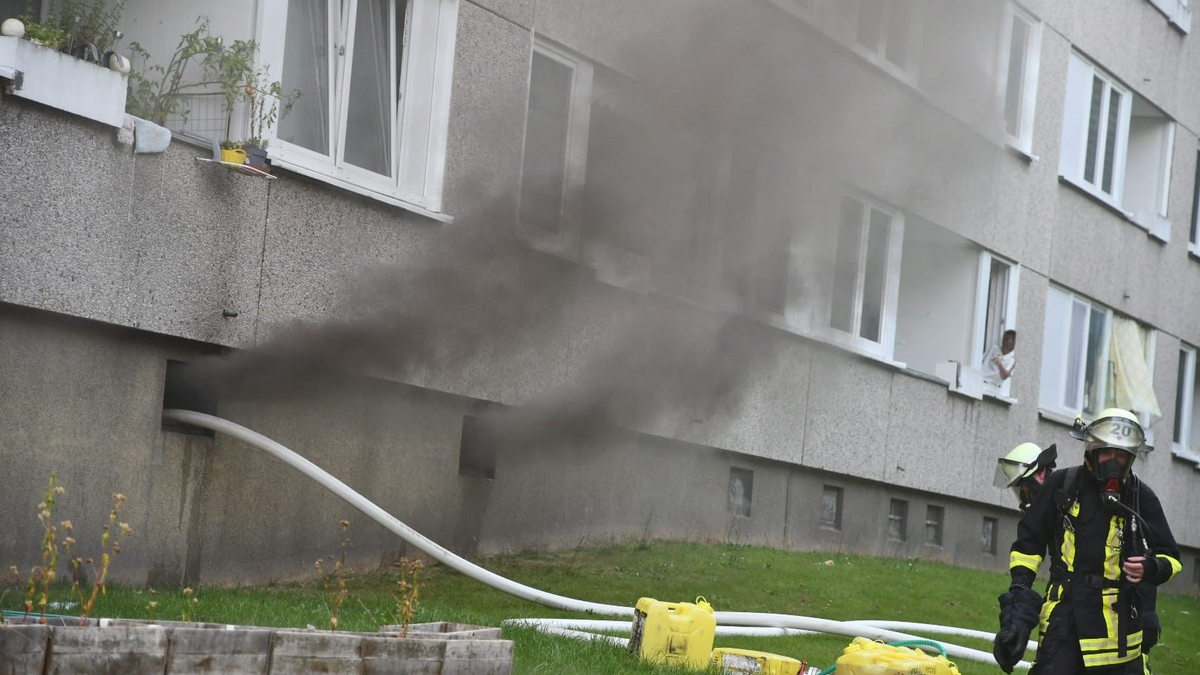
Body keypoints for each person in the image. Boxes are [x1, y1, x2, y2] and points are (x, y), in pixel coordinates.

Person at [992, 408, 1181, 675]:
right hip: (1065, 623)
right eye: (1107, 453)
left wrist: (1152, 568)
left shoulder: (1141, 497)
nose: (1113, 462)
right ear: (1091, 450)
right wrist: (1018, 602)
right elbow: (1028, 544)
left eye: (1122, 455)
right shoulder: (1063, 485)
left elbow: (1171, 557)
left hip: (1119, 633)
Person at [994, 441, 1057, 514]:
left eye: (1024, 486)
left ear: (1041, 473)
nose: (1024, 492)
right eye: (1020, 489)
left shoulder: (1065, 501)